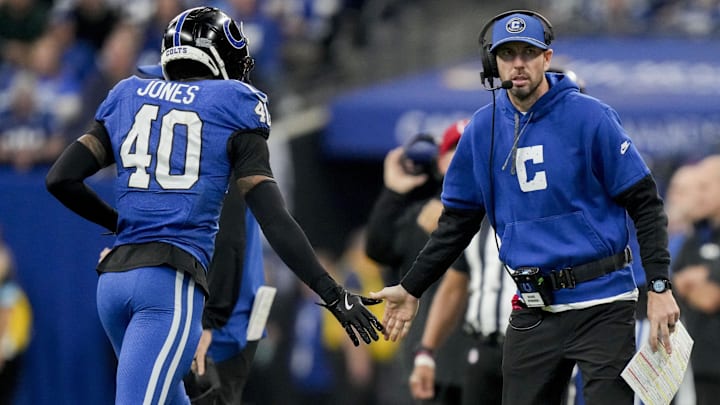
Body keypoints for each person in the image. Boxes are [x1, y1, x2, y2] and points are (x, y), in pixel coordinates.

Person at [45, 6, 383, 404]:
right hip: (175, 288)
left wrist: (122, 226)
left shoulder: (128, 92)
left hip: (114, 282)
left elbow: (60, 178)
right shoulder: (231, 106)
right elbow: (255, 219)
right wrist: (330, 292)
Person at [371, 9, 680, 405]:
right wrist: (412, 289)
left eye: (528, 53)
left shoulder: (591, 116)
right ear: (493, 64)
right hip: (535, 308)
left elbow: (645, 203)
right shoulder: (482, 129)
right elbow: (457, 225)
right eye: (507, 54)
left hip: (603, 302)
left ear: (546, 58)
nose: (518, 64)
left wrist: (658, 286)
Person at [365, 119, 472, 405]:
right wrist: (394, 192)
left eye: (472, 149)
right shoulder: (424, 214)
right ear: (439, 163)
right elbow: (378, 249)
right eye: (455, 149)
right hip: (432, 361)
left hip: (489, 358)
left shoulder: (509, 210)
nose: (465, 156)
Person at [671, 154, 720, 405]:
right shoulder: (696, 237)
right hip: (697, 366)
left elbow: (710, 297)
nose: (698, 195)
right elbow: (675, 285)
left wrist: (698, 285)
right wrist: (694, 283)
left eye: (705, 187)